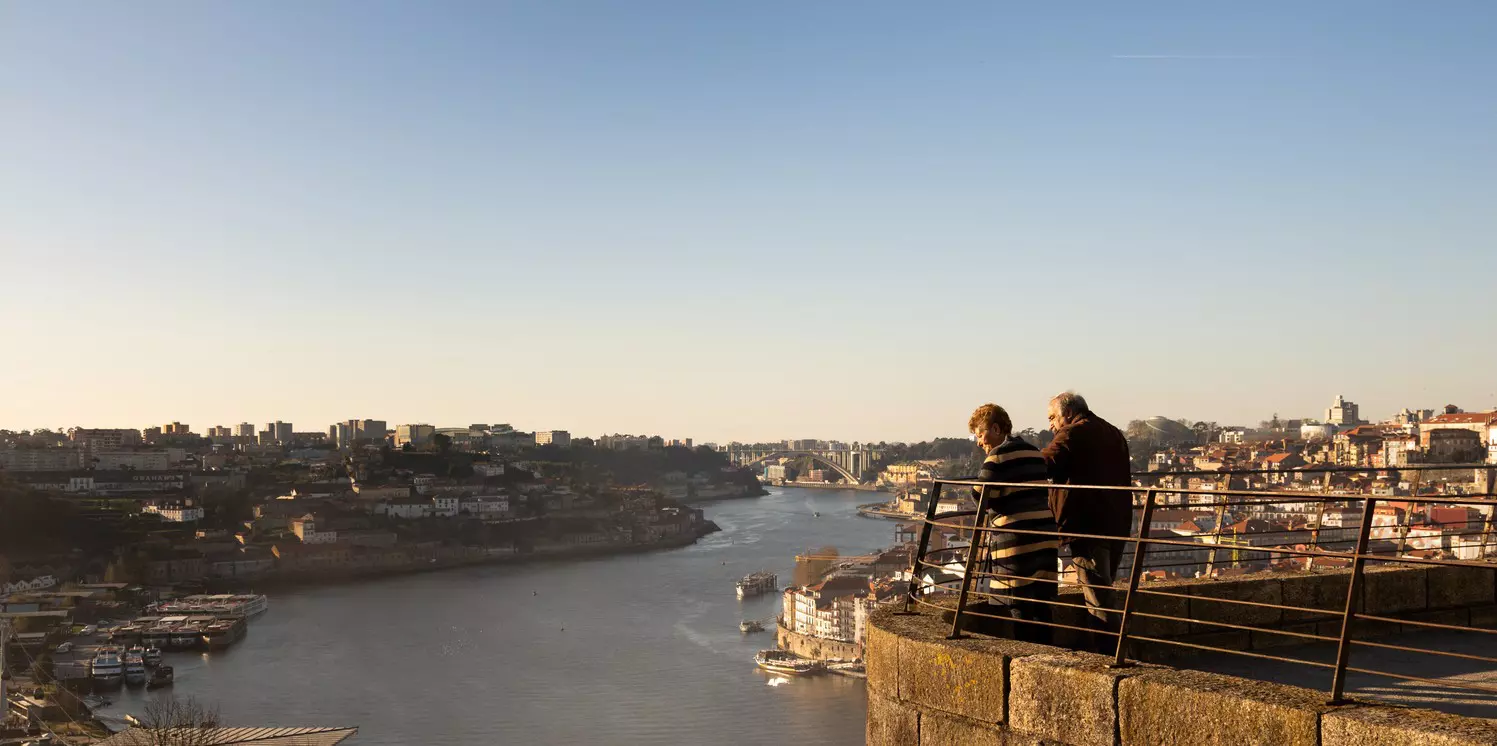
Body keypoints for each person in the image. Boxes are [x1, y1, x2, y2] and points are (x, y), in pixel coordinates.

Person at [1041, 392, 1132, 653]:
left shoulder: (1072, 433)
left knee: (1097, 596)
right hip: (1116, 521)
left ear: (1067, 413)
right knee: (1103, 588)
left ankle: (1111, 654)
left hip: (1086, 524)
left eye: (1052, 418)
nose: (1051, 425)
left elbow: (1045, 463)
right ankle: (1108, 648)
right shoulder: (1112, 432)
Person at [963, 403, 1060, 644]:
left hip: (1016, 540)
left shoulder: (997, 456)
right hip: (1045, 537)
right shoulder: (1034, 451)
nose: (978, 442)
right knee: (1042, 605)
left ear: (995, 429)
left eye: (980, 434)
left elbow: (979, 495)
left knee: (1018, 605)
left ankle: (1027, 657)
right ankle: (1048, 654)